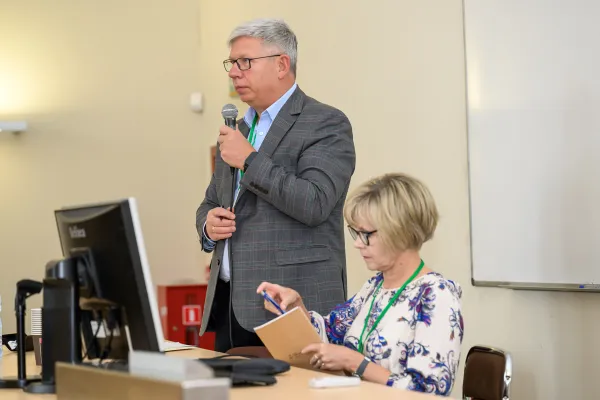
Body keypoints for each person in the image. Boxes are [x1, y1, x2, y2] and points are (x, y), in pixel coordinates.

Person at [196, 18, 356, 352]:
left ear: (282, 64)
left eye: (245, 62)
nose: (234, 72)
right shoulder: (237, 129)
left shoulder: (325, 123)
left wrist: (251, 160)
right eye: (232, 63)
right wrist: (208, 227)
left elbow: (314, 202)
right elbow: (210, 203)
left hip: (291, 305)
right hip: (230, 304)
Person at [258, 173, 464, 396]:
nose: (357, 244)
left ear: (400, 231)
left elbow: (430, 392)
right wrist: (296, 310)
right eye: (355, 232)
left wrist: (355, 362)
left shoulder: (437, 295)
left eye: (366, 234)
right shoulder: (375, 286)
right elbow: (330, 335)